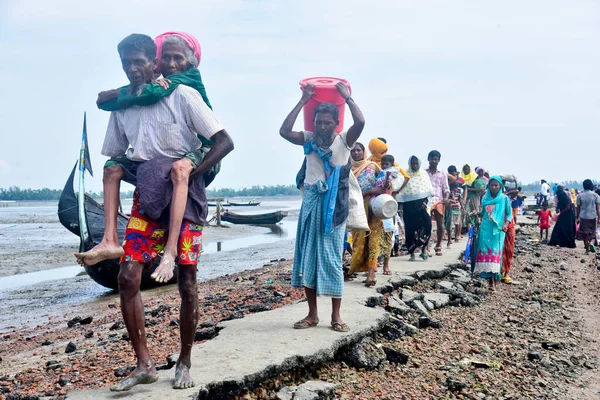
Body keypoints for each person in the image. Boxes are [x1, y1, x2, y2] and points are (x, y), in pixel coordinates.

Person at [92, 34, 234, 392]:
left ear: (152, 63)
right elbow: (117, 154)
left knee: (187, 281)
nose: (133, 68)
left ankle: (184, 361)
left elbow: (225, 141)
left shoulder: (184, 94)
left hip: (186, 195)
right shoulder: (124, 105)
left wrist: (188, 171)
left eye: (140, 62)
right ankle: (144, 363)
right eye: (127, 64)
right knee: (127, 277)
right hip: (148, 198)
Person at [76, 32, 213, 285]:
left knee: (179, 169)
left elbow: (221, 140)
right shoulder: (156, 86)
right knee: (112, 167)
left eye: (178, 58)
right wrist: (117, 95)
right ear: (159, 63)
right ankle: (110, 240)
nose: (172, 65)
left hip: (202, 154)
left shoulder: (185, 83)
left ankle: (171, 250)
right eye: (167, 58)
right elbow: (119, 101)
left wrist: (143, 88)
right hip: (153, 171)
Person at [280, 81, 364, 333]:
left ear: (336, 124)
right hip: (311, 203)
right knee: (308, 258)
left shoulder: (344, 141)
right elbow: (284, 131)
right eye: (319, 122)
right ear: (313, 122)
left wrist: (348, 98)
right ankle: (312, 314)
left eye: (328, 122)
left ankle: (336, 316)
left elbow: (360, 123)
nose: (323, 126)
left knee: (331, 259)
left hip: (334, 208)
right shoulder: (308, 139)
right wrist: (303, 101)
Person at [348, 142, 385, 286]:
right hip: (356, 208)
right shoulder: (348, 169)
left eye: (358, 150)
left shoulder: (372, 166)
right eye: (353, 151)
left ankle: (371, 273)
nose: (356, 153)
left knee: (374, 239)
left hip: (373, 206)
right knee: (359, 239)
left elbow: (384, 184)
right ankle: (364, 268)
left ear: (363, 152)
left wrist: (372, 192)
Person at [472, 176, 513, 292]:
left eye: (496, 185)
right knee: (487, 256)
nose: (494, 187)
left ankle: (494, 281)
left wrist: (506, 224)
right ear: (488, 186)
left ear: (500, 186)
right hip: (485, 229)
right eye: (492, 185)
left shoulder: (504, 198)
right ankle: (490, 282)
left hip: (498, 230)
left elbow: (509, 215)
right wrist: (476, 213)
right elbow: (484, 213)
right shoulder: (485, 197)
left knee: (496, 256)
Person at [396, 156, 433, 261]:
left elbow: (429, 191)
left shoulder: (423, 174)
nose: (415, 166)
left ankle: (424, 250)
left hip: (421, 207)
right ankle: (412, 253)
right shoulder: (405, 174)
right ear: (409, 163)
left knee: (426, 227)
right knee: (410, 230)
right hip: (409, 208)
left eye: (416, 163)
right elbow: (401, 192)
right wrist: (400, 208)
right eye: (413, 164)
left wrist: (425, 203)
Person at [426, 150, 450, 256]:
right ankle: (426, 246)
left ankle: (438, 245)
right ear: (428, 159)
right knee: (427, 225)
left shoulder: (442, 173)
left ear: (439, 160)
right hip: (427, 201)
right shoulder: (424, 173)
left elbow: (446, 189)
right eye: (432, 159)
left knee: (440, 224)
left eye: (436, 159)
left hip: (439, 200)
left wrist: (446, 198)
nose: (433, 161)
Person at [376, 154, 396, 277]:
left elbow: (387, 187)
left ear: (392, 165)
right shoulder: (380, 175)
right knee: (376, 238)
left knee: (388, 237)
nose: (384, 166)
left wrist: (388, 176)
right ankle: (376, 263)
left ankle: (386, 265)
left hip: (388, 211)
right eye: (383, 164)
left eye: (387, 165)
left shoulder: (393, 176)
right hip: (379, 209)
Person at [576, 179, 600, 254]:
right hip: (592, 216)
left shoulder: (580, 196)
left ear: (583, 186)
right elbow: (598, 208)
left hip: (583, 217)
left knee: (584, 233)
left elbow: (578, 208)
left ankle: (587, 250)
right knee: (592, 232)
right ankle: (590, 243)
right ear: (591, 186)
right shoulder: (595, 195)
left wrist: (577, 217)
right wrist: (599, 218)